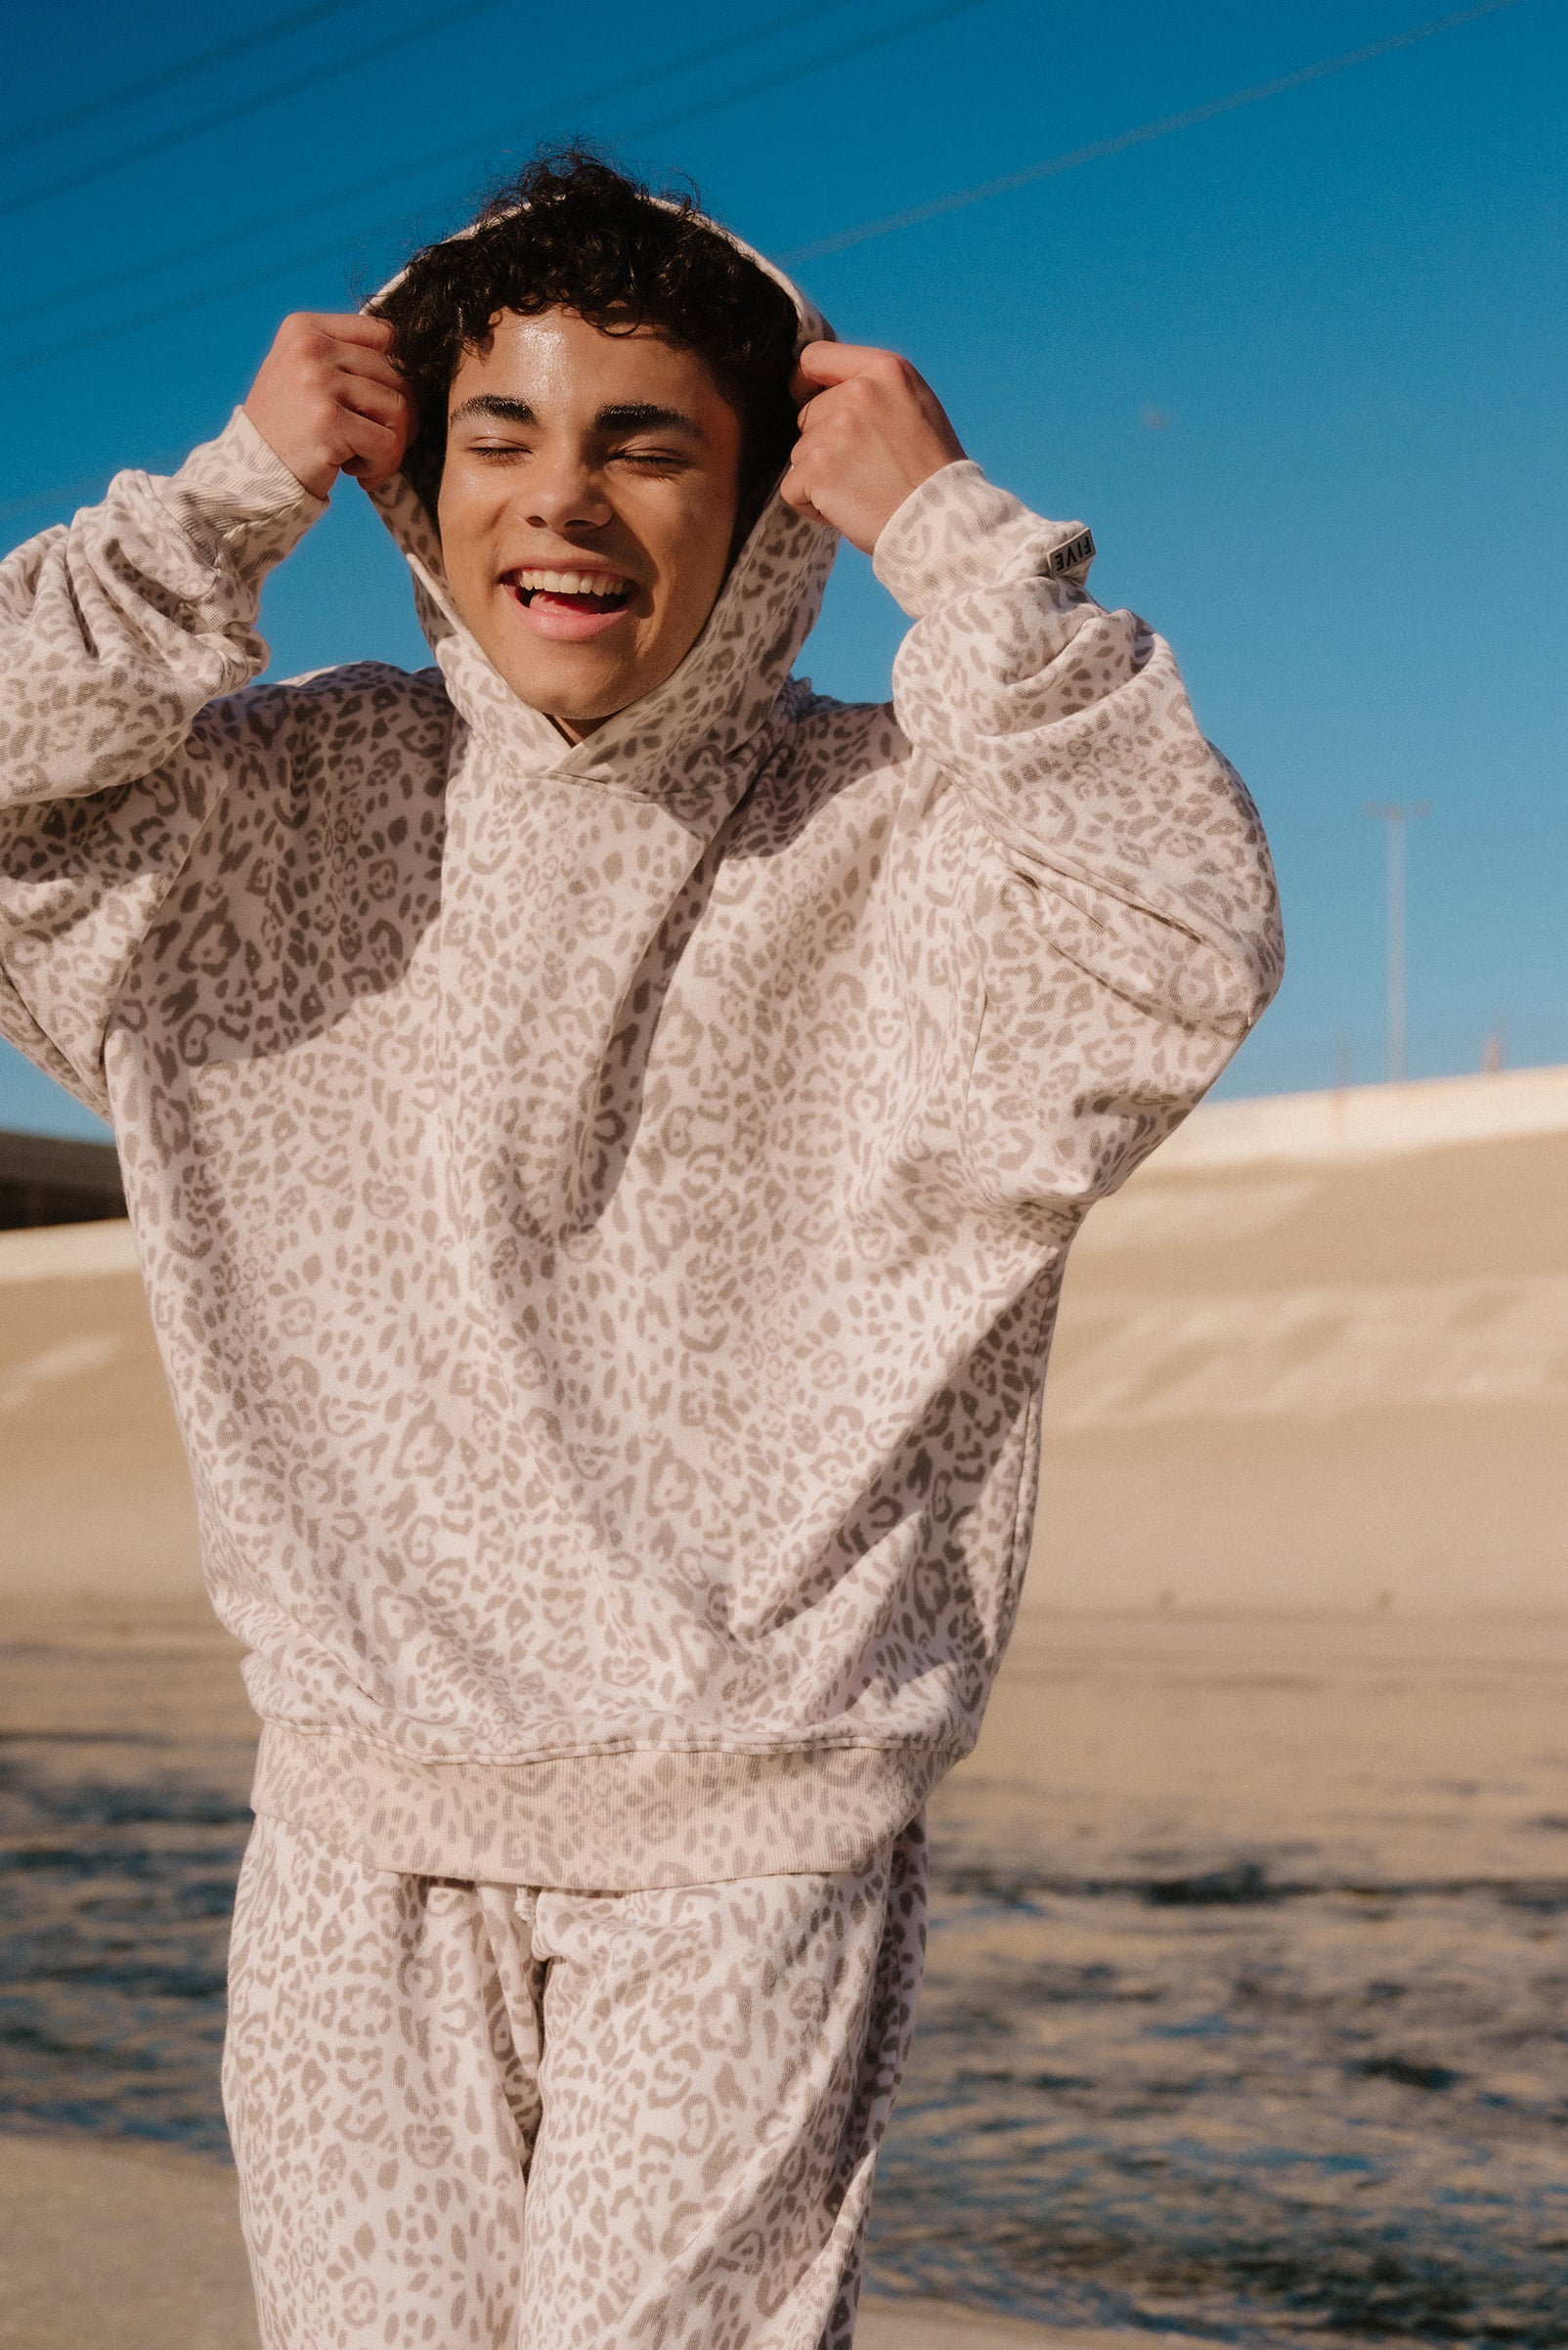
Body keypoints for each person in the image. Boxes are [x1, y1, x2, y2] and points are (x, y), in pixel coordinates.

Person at [0, 151, 1281, 2350]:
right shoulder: (258, 810)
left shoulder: (910, 842)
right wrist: (215, 506)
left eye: (647, 443)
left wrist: (953, 537)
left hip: (746, 1830)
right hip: (356, 1823)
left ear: (768, 497)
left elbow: (1184, 928)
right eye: (500, 434)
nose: (565, 502)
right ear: (413, 485)